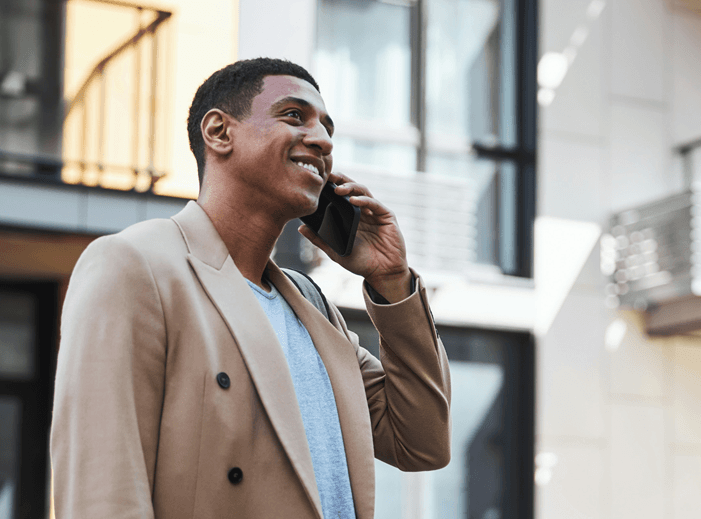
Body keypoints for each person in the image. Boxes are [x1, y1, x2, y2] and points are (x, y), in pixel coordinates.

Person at [50, 58, 451, 519]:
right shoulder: (135, 265)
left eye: (327, 128)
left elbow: (421, 442)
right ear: (219, 132)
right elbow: (103, 493)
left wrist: (391, 280)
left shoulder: (312, 307)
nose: (322, 141)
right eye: (294, 116)